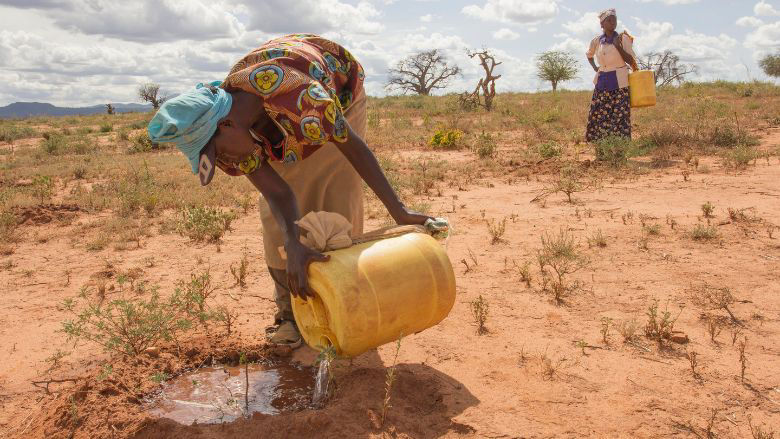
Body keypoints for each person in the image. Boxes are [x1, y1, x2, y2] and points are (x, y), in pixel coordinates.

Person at [147, 34, 433, 348]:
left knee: (335, 198)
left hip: (337, 96)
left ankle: (343, 308)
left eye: (218, 153)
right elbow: (278, 194)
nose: (225, 162)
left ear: (227, 127)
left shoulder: (305, 99)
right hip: (273, 118)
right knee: (278, 222)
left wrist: (399, 212)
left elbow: (355, 152)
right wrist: (293, 243)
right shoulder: (233, 129)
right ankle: (290, 313)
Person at [585, 9, 638, 144]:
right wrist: (595, 68)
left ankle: (619, 147)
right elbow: (589, 55)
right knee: (600, 114)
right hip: (602, 82)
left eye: (614, 19)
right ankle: (602, 147)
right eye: (609, 20)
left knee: (619, 116)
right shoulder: (597, 41)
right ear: (602, 24)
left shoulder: (622, 38)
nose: (612, 22)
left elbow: (631, 60)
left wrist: (618, 47)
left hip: (619, 83)